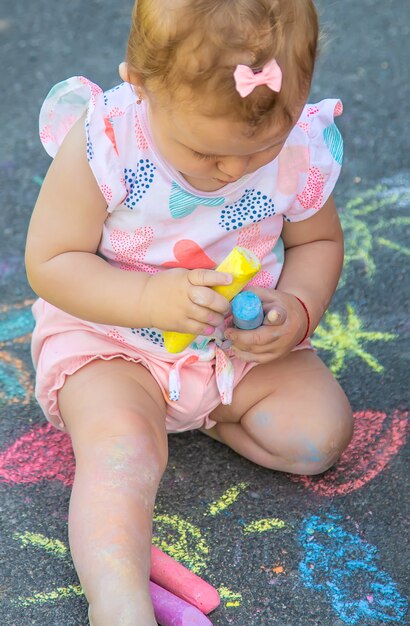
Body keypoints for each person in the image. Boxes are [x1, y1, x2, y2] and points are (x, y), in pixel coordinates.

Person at [25, 0, 353, 623]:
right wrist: (150, 300)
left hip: (229, 345)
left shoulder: (297, 147)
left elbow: (317, 242)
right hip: (113, 339)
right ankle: (116, 602)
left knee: (318, 436)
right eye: (206, 153)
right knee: (122, 453)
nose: (233, 170)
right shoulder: (107, 141)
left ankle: (198, 417)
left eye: (259, 150)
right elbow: (52, 259)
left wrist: (298, 310)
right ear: (142, 86)